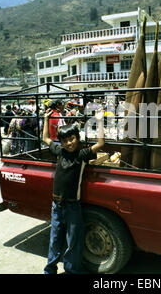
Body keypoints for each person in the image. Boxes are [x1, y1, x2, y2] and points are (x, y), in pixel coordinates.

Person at [42, 107, 105, 274]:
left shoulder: (81, 154)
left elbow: (100, 144)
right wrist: (46, 119)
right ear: (61, 142)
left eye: (72, 139)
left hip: (72, 207)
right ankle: (50, 269)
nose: (69, 143)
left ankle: (71, 270)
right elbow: (46, 138)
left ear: (77, 138)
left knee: (73, 242)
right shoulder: (59, 151)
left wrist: (99, 121)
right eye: (65, 141)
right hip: (57, 205)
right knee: (55, 240)